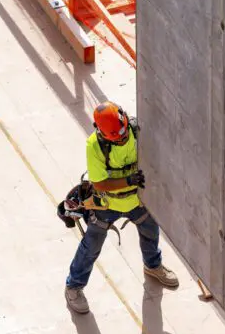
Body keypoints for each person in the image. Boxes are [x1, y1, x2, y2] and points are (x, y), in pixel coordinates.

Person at [65, 101, 178, 313]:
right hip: (108, 204)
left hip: (137, 199)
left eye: (124, 134)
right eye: (118, 138)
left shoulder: (136, 130)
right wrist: (128, 181)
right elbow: (99, 183)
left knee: (151, 232)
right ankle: (74, 286)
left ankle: (153, 266)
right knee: (91, 246)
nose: (124, 138)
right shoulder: (95, 146)